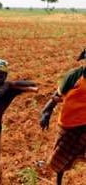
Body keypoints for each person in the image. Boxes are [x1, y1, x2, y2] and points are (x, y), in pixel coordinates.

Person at [40, 48, 86, 185]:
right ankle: (58, 182)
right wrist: (46, 112)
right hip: (68, 123)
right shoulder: (74, 75)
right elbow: (57, 96)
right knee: (60, 157)